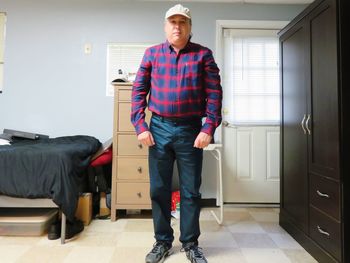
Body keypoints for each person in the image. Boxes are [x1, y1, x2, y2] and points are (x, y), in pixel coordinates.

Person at [131, 4, 222, 263]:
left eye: (183, 22)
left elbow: (215, 94)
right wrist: (141, 126)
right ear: (165, 26)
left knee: (191, 190)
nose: (177, 26)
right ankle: (162, 241)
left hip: (191, 130)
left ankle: (191, 243)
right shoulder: (152, 54)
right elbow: (138, 92)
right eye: (172, 22)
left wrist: (208, 127)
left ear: (190, 27)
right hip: (158, 128)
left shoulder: (203, 55)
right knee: (158, 189)